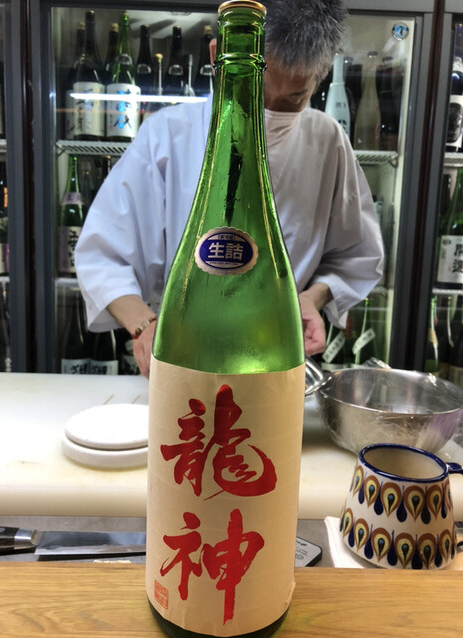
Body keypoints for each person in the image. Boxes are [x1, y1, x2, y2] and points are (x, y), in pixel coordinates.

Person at [75, 0, 384, 378]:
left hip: (273, 359)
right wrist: (144, 325)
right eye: (256, 90)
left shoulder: (328, 140)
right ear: (218, 55)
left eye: (294, 98)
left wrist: (310, 298)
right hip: (183, 357)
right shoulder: (167, 133)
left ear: (320, 78)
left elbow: (354, 255)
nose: (266, 111)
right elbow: (103, 255)